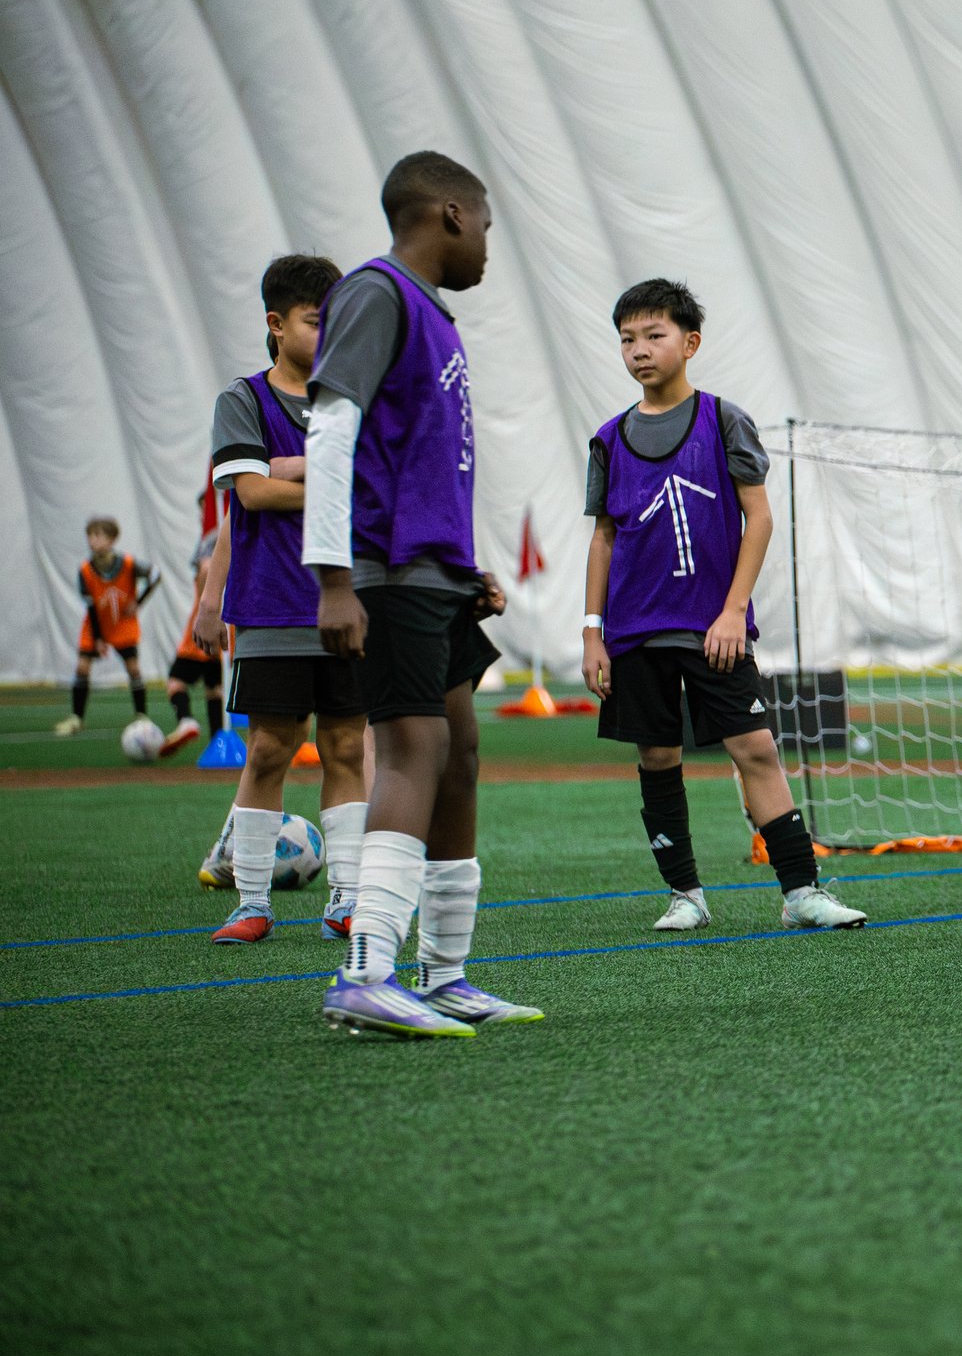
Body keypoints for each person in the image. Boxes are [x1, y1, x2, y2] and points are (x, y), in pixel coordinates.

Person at [304, 151, 536, 1037]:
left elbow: (416, 457)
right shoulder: (377, 293)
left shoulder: (434, 315)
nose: (487, 246)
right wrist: (334, 579)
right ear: (450, 214)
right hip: (383, 574)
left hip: (434, 575)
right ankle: (366, 972)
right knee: (411, 747)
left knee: (460, 751)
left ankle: (444, 975)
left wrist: (461, 567)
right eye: (485, 226)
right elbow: (331, 433)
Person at [582, 279, 864, 933]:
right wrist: (593, 632)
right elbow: (602, 538)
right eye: (627, 338)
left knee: (756, 749)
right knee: (658, 758)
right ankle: (685, 895)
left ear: (690, 342)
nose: (639, 350)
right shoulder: (609, 438)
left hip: (715, 629)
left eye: (654, 335)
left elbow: (757, 517)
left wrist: (733, 610)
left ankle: (801, 893)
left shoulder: (723, 420)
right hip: (633, 634)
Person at [191, 255, 371, 944]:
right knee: (268, 748)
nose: (330, 335)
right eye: (316, 321)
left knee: (346, 746)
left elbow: (375, 487)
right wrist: (328, 475)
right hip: (270, 604)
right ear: (276, 323)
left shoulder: (352, 400)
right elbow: (252, 494)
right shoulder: (243, 400)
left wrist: (288, 466)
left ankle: (346, 900)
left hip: (348, 603)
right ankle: (252, 904)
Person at [55, 517, 157, 736]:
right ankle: (76, 717)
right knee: (82, 668)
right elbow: (91, 607)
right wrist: (98, 639)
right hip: (96, 626)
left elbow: (155, 575)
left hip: (122, 625)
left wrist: (138, 602)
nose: (92, 540)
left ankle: (141, 715)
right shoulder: (85, 570)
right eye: (90, 536)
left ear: (112, 539)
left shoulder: (128, 564)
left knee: (134, 669)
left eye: (97, 535)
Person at [160, 524, 226, 757]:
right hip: (228, 630)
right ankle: (218, 741)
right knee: (214, 688)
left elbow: (206, 568)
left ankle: (186, 719)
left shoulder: (214, 538)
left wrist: (207, 603)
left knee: (176, 682)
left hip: (203, 629)